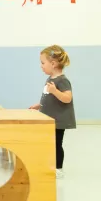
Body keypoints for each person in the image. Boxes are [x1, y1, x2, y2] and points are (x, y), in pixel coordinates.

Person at [30, 45, 76, 179]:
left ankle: (58, 168)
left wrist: (55, 91)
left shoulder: (62, 80)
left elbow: (67, 98)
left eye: (43, 63)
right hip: (49, 118)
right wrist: (39, 105)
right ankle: (50, 165)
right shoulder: (50, 79)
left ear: (53, 64)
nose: (41, 66)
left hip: (59, 120)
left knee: (56, 144)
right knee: (48, 143)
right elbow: (49, 97)